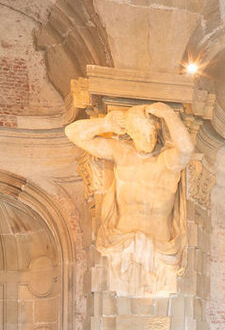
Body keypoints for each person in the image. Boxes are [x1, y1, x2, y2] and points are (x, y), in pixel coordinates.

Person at [64, 103, 193, 296]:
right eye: (141, 134)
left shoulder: (166, 162)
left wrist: (167, 114)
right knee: (110, 308)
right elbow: (73, 133)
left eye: (151, 133)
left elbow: (186, 148)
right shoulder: (121, 154)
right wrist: (106, 124)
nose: (148, 139)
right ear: (131, 134)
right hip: (121, 243)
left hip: (161, 248)